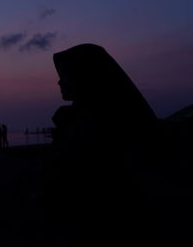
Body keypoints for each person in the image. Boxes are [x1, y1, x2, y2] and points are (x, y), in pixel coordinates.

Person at [46, 44, 159, 246]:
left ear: (86, 76)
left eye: (66, 75)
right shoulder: (75, 119)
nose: (59, 82)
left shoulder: (107, 124)